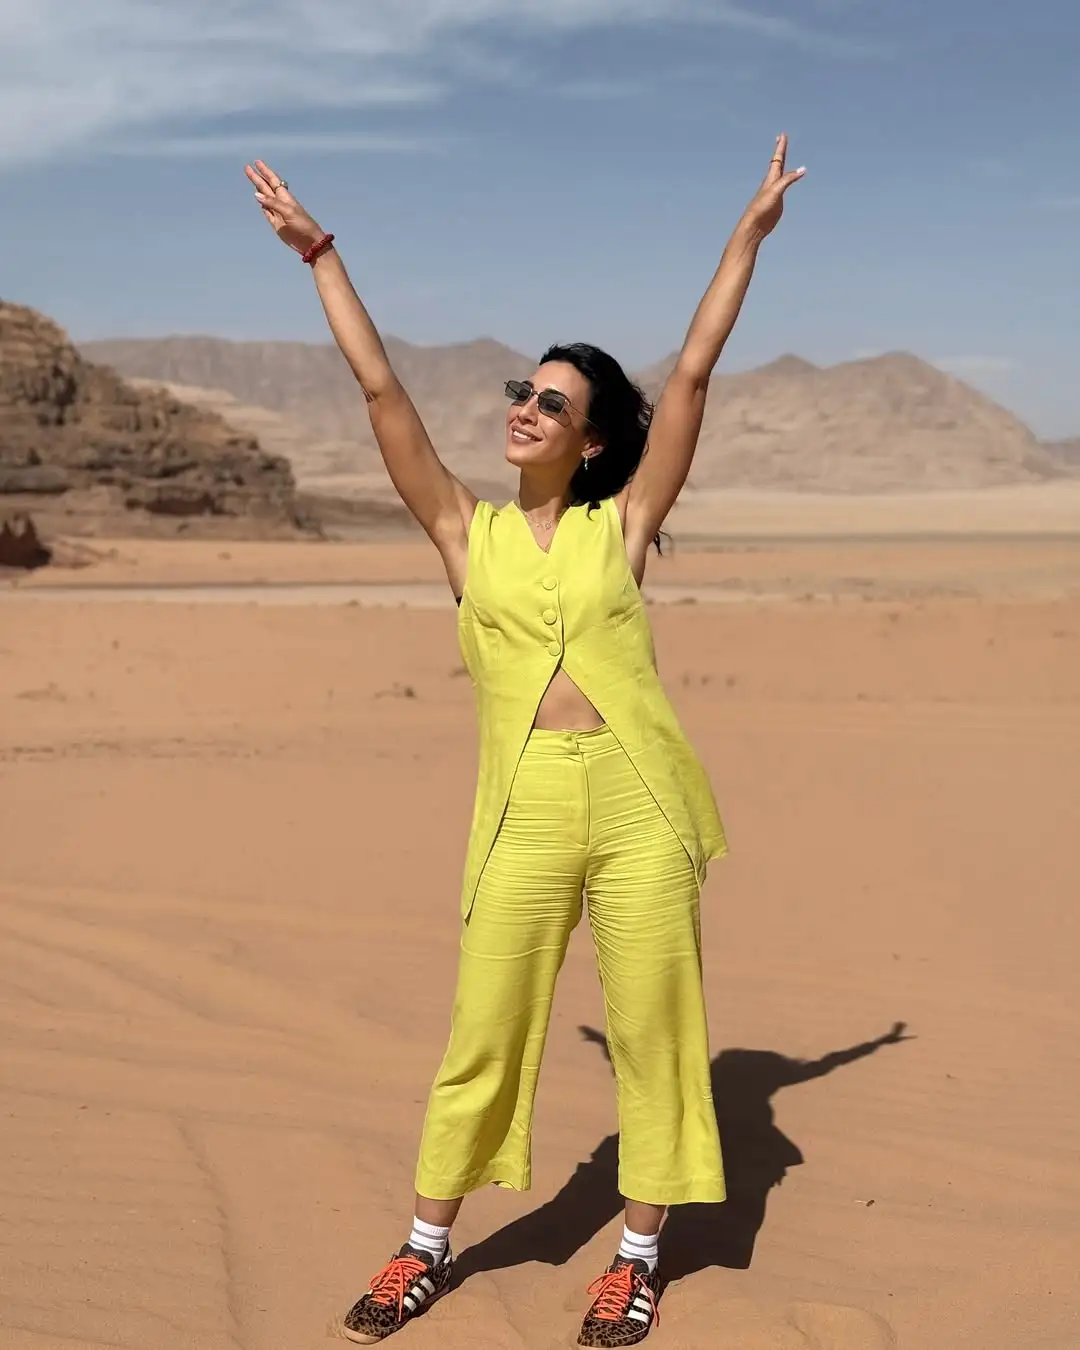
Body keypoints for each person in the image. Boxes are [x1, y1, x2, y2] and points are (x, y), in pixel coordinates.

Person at [245, 134, 804, 1347]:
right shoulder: (465, 533)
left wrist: (745, 239)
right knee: (486, 1028)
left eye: (553, 401)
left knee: (659, 1034)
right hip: (524, 807)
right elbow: (383, 397)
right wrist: (320, 255)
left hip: (641, 801)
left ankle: (637, 1259)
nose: (525, 409)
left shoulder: (625, 523)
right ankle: (424, 1247)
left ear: (590, 440)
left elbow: (693, 376)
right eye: (521, 391)